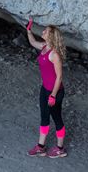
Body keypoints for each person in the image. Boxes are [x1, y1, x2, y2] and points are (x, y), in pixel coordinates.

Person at [25, 18, 68, 158]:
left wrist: (53, 95)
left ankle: (60, 148)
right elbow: (32, 42)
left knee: (57, 118)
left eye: (46, 31)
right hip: (45, 89)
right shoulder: (44, 46)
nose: (42, 32)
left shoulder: (54, 54)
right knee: (44, 117)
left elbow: (59, 77)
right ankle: (40, 147)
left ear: (51, 36)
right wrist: (28, 30)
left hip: (55, 92)